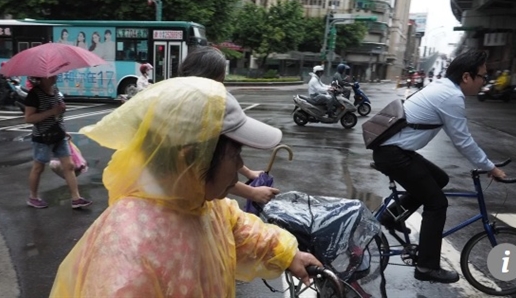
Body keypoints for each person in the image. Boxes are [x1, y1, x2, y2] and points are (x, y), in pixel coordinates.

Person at [50, 77, 322, 296]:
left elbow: (239, 229)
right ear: (191, 156)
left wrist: (288, 254)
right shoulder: (127, 252)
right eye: (235, 152)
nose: (241, 163)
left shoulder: (200, 204)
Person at [372, 50, 506, 284]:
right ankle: (426, 267)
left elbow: (460, 138)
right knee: (437, 203)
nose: (485, 81)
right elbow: (462, 140)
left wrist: (486, 164)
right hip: (394, 154)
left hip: (395, 151)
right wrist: (490, 167)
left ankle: (392, 217)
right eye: (483, 76)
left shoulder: (444, 88)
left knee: (440, 179)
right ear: (466, 77)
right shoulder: (450, 96)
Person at [178, 46, 281, 204]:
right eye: (219, 81)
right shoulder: (189, 113)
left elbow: (222, 153)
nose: (221, 87)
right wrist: (252, 193)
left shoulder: (199, 101)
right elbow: (208, 173)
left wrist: (248, 173)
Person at [23, 75, 92, 209]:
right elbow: (29, 118)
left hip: (59, 135)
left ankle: (76, 198)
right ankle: (33, 197)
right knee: (38, 168)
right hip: (43, 137)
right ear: (42, 78)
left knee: (69, 166)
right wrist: (52, 111)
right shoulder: (34, 95)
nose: (55, 77)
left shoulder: (55, 90)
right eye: (51, 75)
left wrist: (62, 125)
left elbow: (57, 115)